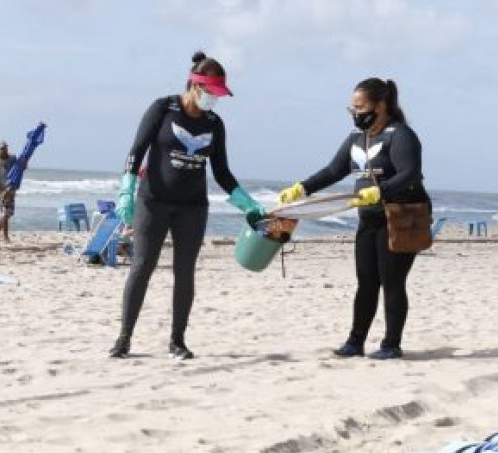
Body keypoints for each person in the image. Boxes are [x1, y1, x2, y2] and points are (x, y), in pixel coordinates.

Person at [108, 52, 265, 360]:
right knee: (142, 267)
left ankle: (177, 340)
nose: (214, 100)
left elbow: (221, 172)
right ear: (195, 86)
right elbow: (136, 152)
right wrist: (126, 189)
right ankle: (124, 337)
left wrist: (247, 203)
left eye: (218, 96)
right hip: (153, 201)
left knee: (185, 272)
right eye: (211, 94)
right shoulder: (163, 108)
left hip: (192, 207)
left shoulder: (214, 124)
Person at [277, 77, 430, 360]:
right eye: (353, 108)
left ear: (380, 105)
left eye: (360, 107)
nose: (356, 113)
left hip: (397, 218)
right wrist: (302, 188)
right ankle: (355, 342)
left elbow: (409, 173)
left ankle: (391, 345)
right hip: (368, 219)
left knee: (392, 282)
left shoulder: (400, 135)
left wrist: (379, 191)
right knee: (366, 282)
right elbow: (333, 171)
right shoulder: (356, 139)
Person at [0, 141, 18, 243]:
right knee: (5, 213)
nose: (4, 150)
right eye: (2, 149)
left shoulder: (12, 158)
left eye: (5, 148)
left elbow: (19, 168)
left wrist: (23, 164)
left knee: (9, 213)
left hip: (11, 190)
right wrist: (1, 191)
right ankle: (6, 237)